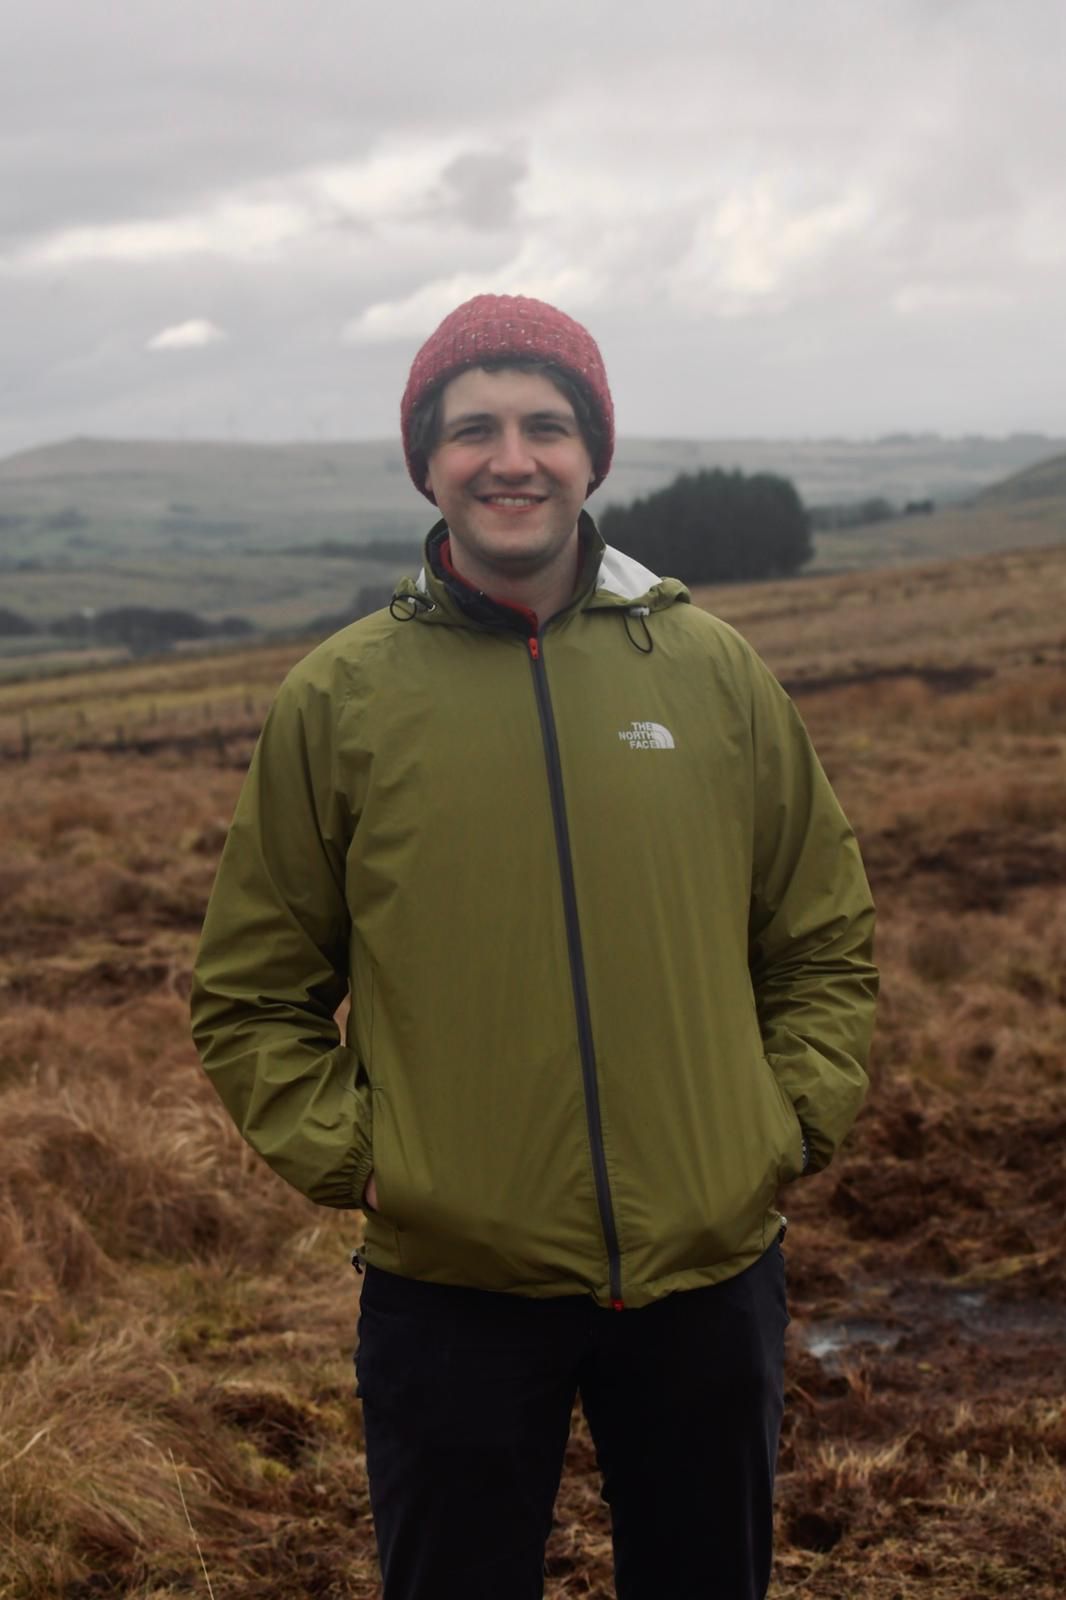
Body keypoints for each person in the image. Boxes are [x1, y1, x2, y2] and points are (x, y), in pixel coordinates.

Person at [190, 293, 878, 1600]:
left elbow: (821, 938)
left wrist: (776, 1127)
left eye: (545, 425)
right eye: (473, 430)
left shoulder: (711, 671)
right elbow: (249, 993)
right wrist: (372, 1162)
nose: (511, 458)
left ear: (592, 454)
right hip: (451, 1286)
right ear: (427, 463)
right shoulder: (340, 699)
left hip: (706, 1269)